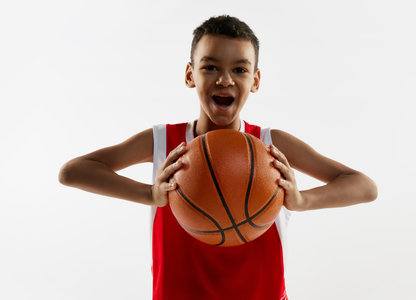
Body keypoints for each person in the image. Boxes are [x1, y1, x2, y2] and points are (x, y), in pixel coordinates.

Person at [59, 15, 377, 300]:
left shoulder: (270, 145)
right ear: (189, 74)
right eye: (210, 67)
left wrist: (300, 200)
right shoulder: (163, 142)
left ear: (255, 81)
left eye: (239, 69)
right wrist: (149, 194)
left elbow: (364, 186)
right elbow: (73, 171)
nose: (225, 79)